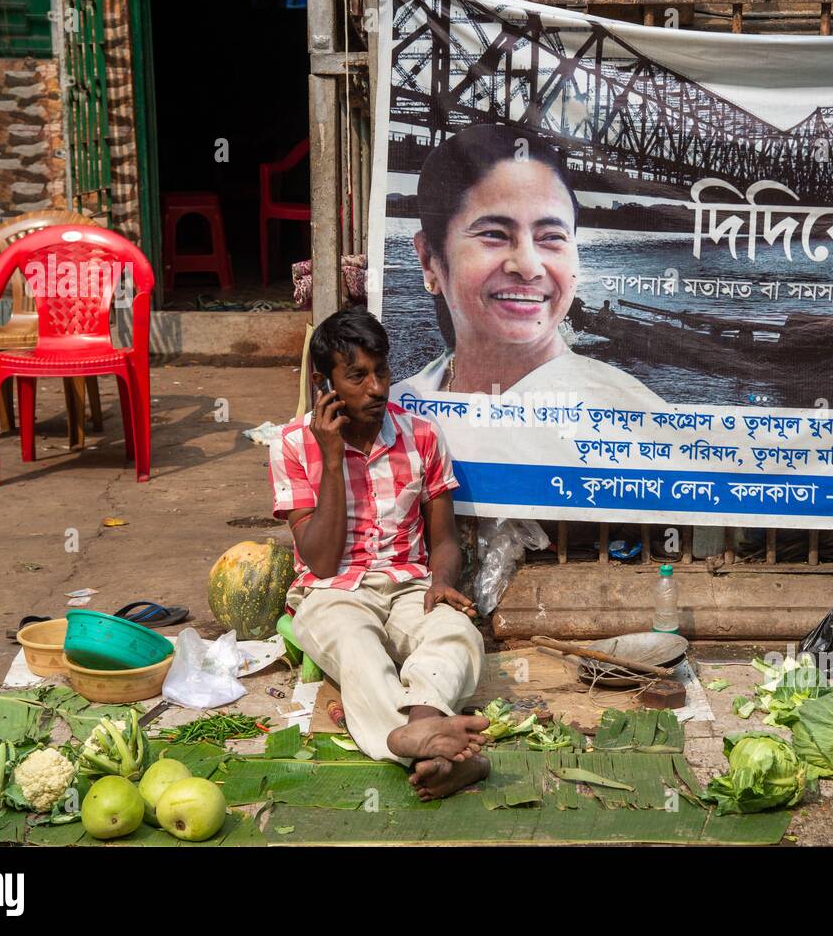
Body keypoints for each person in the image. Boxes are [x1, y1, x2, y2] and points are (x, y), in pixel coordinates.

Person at [268, 305, 490, 800]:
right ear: (325, 384)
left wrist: (442, 581)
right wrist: (330, 458)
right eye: (357, 377)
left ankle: (425, 735)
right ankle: (422, 744)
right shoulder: (290, 444)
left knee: (458, 635)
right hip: (333, 592)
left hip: (411, 584)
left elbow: (445, 539)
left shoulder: (422, 436)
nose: (377, 388)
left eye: (382, 371)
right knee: (356, 646)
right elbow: (321, 562)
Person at [400, 122, 660, 402]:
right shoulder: (394, 413)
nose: (528, 266)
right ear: (428, 259)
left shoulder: (638, 420)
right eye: (494, 234)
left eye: (551, 237)